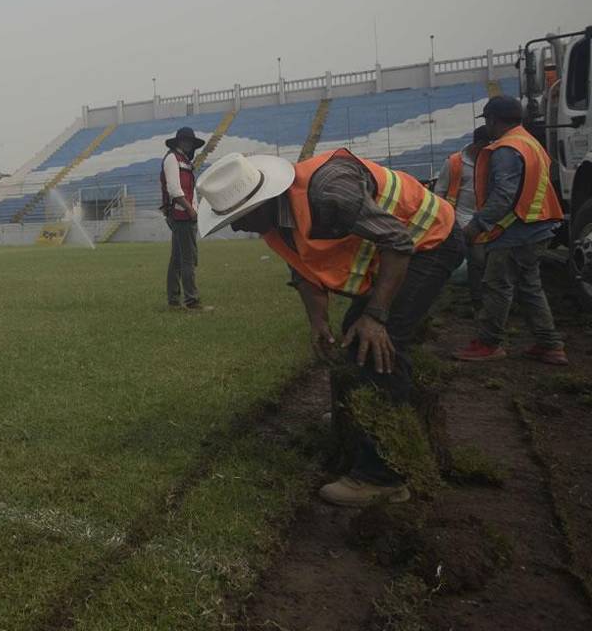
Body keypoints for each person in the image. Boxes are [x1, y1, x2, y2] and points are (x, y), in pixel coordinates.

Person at [196, 149, 461, 507]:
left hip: (429, 242)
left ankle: (383, 477)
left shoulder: (331, 193)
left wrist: (377, 316)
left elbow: (399, 242)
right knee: (355, 335)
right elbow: (302, 270)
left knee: (375, 345)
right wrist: (318, 321)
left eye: (241, 217)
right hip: (397, 252)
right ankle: (355, 427)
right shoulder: (276, 220)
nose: (238, 227)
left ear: (264, 201)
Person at [452, 96, 567, 365]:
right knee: (529, 287)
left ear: (493, 120)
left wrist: (477, 226)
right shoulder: (530, 143)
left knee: (496, 285)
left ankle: (489, 342)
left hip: (516, 230)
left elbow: (504, 194)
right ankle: (550, 344)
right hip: (537, 225)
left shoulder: (507, 148)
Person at [433, 125, 491, 312]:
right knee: (476, 259)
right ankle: (477, 302)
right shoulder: (455, 162)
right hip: (459, 219)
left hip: (484, 219)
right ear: (479, 144)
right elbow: (440, 193)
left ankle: (481, 300)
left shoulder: (493, 160)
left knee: (481, 262)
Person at [160, 126, 209, 311]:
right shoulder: (173, 159)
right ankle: (192, 300)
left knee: (177, 258)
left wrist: (194, 207)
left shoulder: (184, 161)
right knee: (188, 259)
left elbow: (189, 190)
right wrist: (190, 210)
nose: (188, 144)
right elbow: (174, 189)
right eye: (186, 141)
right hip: (181, 215)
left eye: (190, 142)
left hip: (184, 213)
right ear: (179, 142)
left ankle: (173, 300)